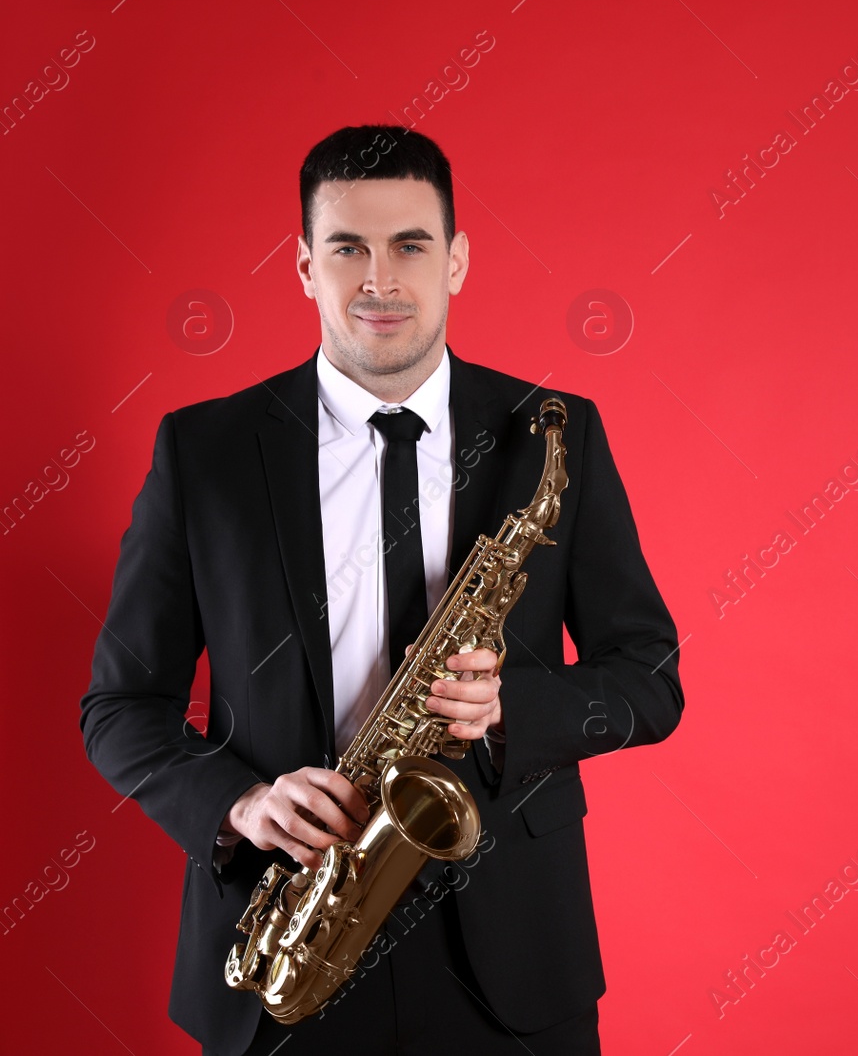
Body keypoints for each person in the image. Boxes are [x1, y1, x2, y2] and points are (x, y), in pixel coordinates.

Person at [78, 125, 685, 1055]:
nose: (379, 280)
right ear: (303, 265)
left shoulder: (553, 435)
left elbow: (650, 678)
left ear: (458, 260)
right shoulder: (203, 452)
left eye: (411, 244)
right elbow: (120, 707)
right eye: (347, 247)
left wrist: (510, 708)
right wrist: (237, 804)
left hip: (514, 955)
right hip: (290, 929)